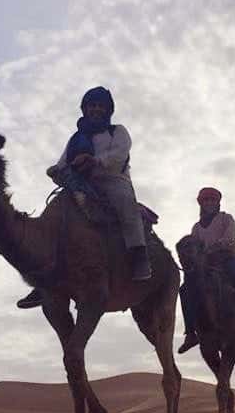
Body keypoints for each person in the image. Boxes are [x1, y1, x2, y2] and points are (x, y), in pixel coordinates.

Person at [17, 86, 148, 309]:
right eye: (92, 105)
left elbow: (120, 154)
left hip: (113, 180)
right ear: (85, 109)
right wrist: (56, 171)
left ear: (108, 110)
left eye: (100, 106)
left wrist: (94, 160)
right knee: (54, 216)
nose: (96, 110)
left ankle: (139, 257)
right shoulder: (76, 139)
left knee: (127, 206)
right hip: (81, 184)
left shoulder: (117, 131)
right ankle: (44, 281)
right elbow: (62, 163)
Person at [177, 187, 235, 354]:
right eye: (206, 200)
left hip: (227, 258)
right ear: (201, 204)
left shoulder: (226, 219)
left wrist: (214, 248)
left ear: (217, 203)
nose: (209, 203)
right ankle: (191, 332)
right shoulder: (197, 228)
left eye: (212, 200)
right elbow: (194, 246)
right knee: (185, 289)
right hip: (206, 265)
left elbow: (229, 238)